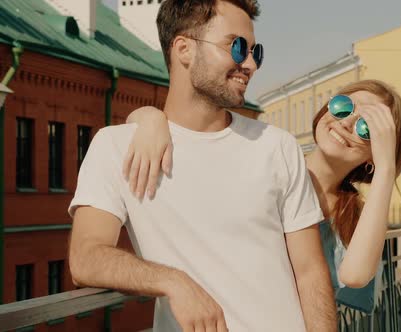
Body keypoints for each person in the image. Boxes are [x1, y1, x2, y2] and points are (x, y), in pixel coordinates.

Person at [67, 1, 337, 331]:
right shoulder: (116, 147)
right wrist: (173, 281)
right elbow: (85, 257)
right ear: (184, 49)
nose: (250, 64)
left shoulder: (278, 146)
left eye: (256, 52)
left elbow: (310, 272)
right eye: (237, 47)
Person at [125, 79, 401, 313]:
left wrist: (387, 168)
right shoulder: (268, 157)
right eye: (342, 107)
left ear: (374, 155)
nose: (347, 123)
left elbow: (355, 277)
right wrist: (151, 119)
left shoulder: (355, 215)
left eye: (366, 128)